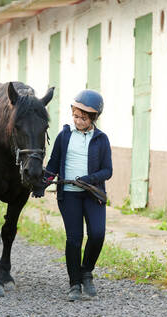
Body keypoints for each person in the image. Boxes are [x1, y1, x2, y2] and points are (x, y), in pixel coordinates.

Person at [32, 89, 112, 301]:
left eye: (83, 118)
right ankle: (74, 283)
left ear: (93, 118)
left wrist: (90, 178)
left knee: (97, 234)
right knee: (74, 239)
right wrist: (43, 184)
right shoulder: (64, 136)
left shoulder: (101, 140)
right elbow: (53, 165)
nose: (78, 121)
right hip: (69, 196)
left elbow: (108, 171)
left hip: (92, 194)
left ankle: (86, 271)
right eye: (75, 116)